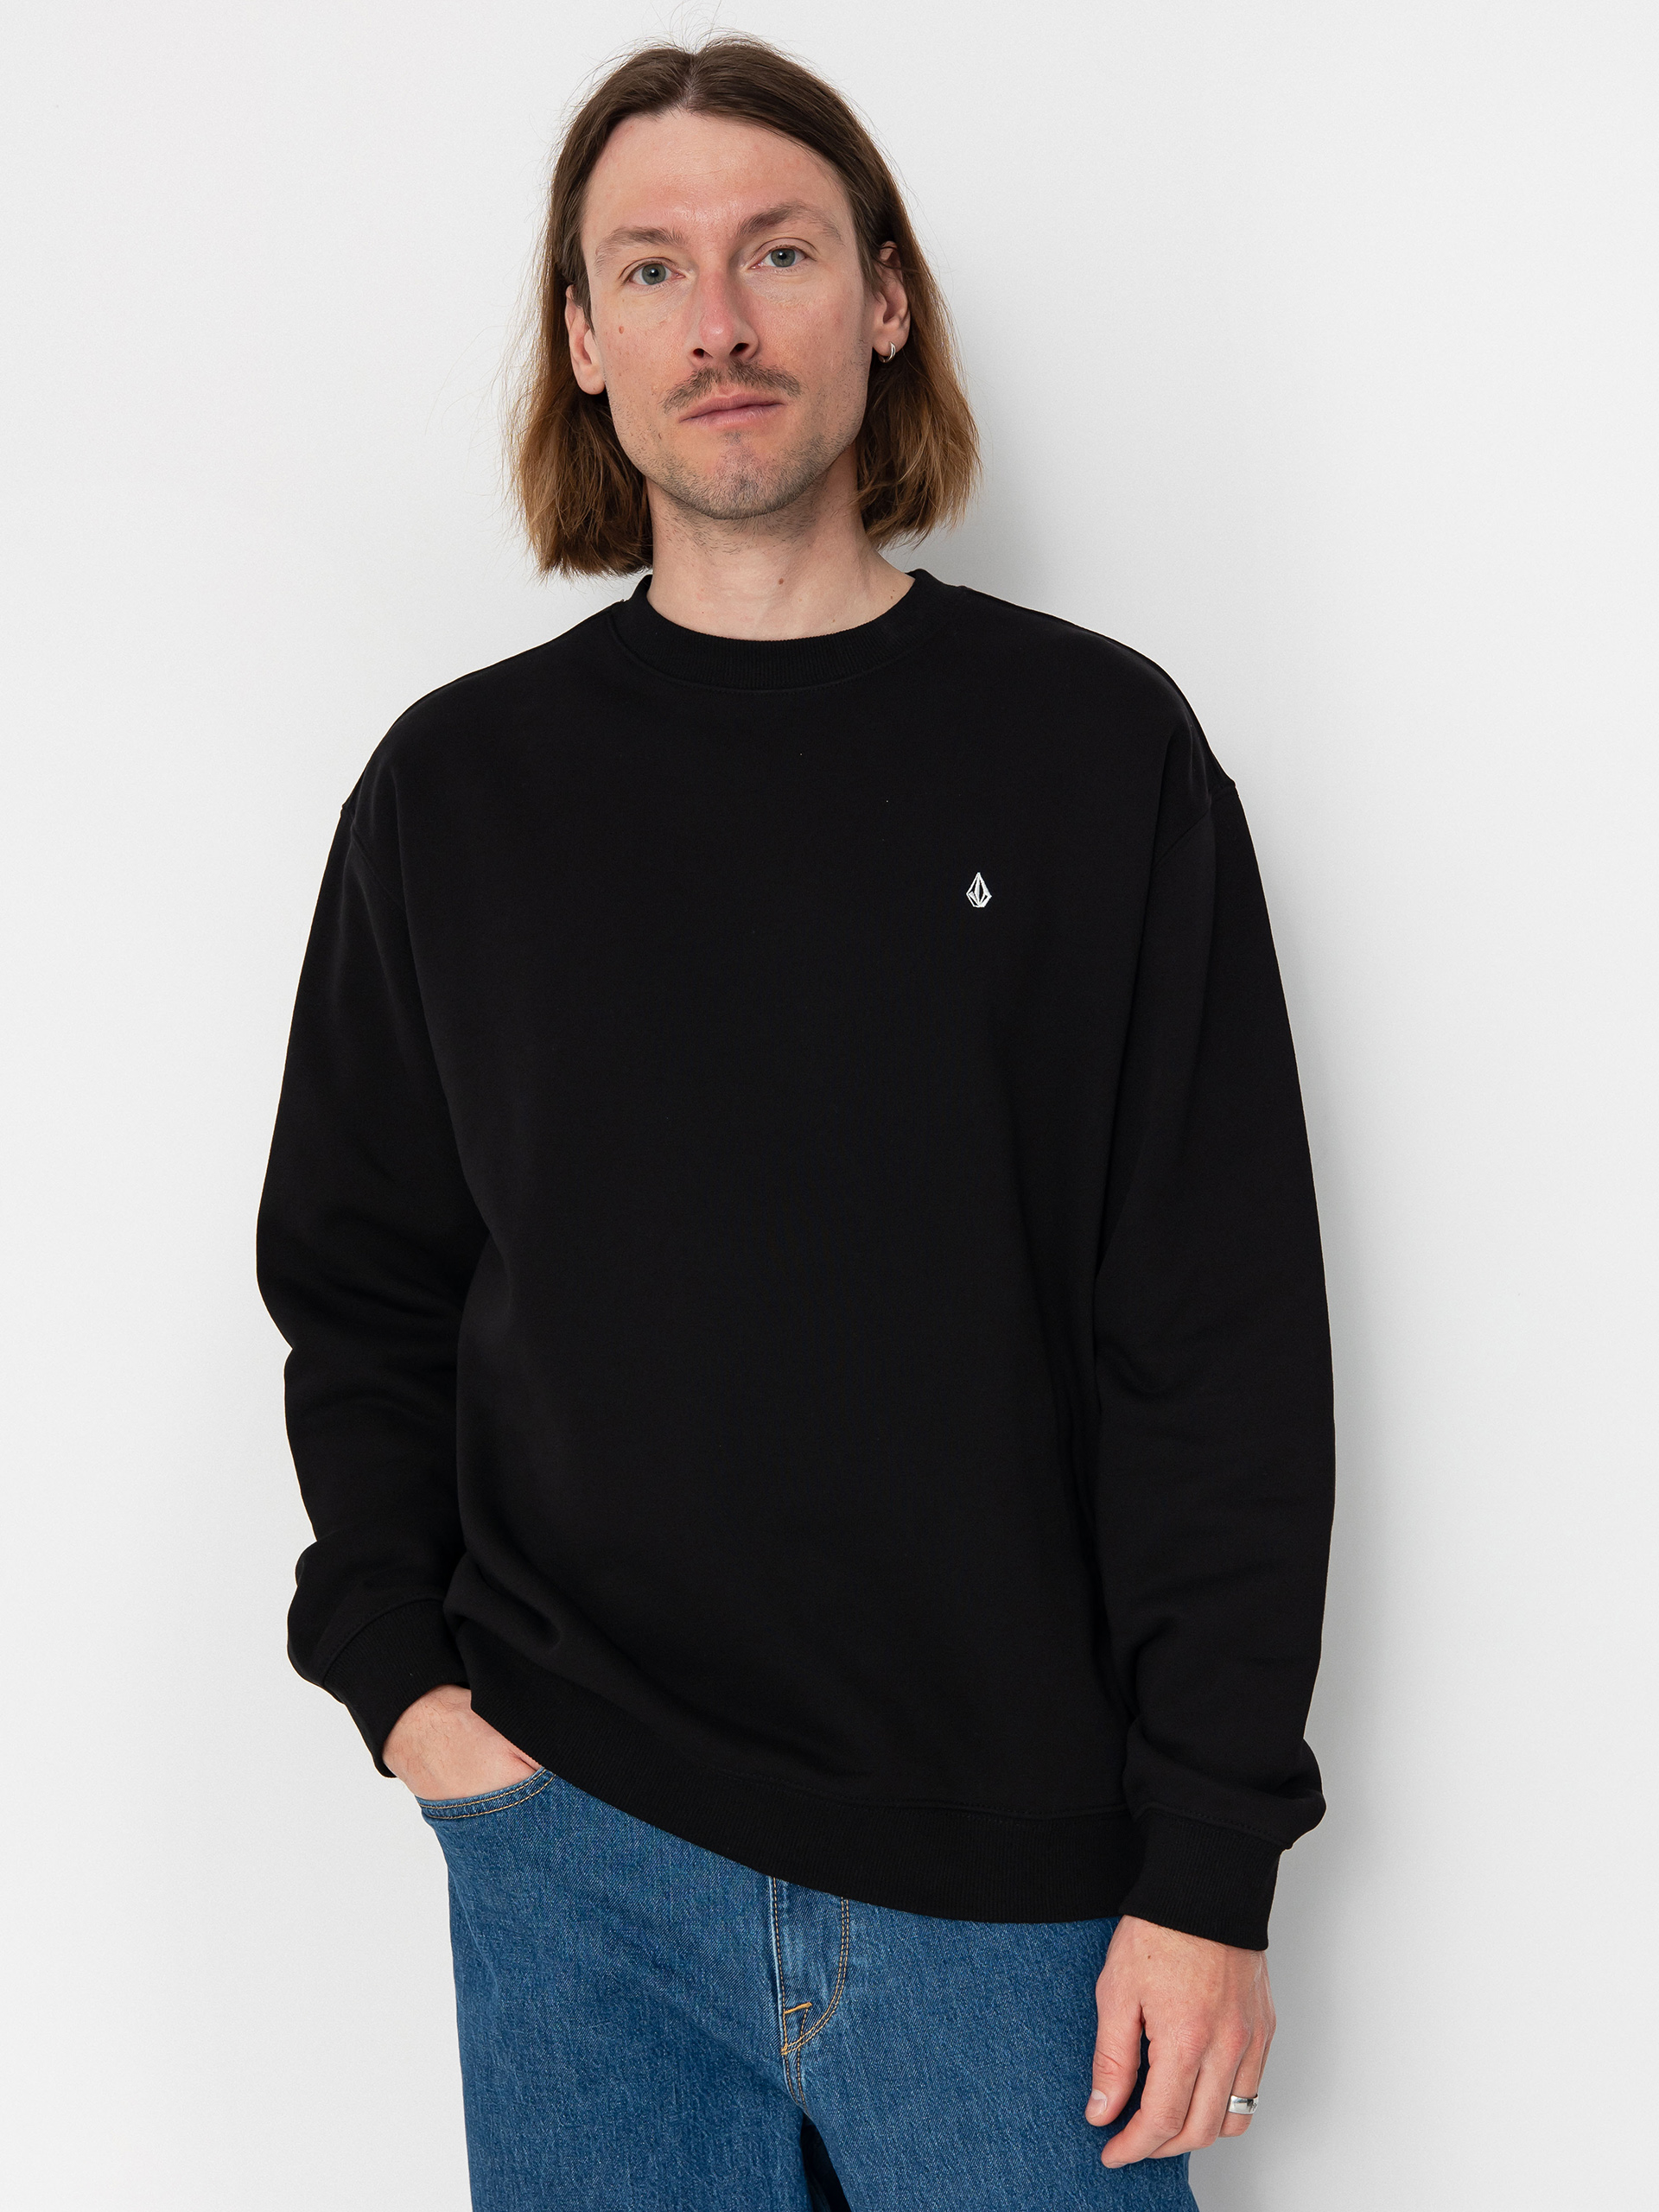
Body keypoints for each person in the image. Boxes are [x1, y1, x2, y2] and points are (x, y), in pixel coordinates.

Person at [256, 34, 1334, 2212]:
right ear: (584, 341)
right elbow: (364, 1282)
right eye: (651, 269)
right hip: (579, 1853)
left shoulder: (1094, 754)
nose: (720, 320)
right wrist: (408, 1689)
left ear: (885, 298)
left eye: (780, 251)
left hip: (1012, 1874)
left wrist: (1211, 1858)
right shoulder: (456, 796)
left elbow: (1211, 1333)